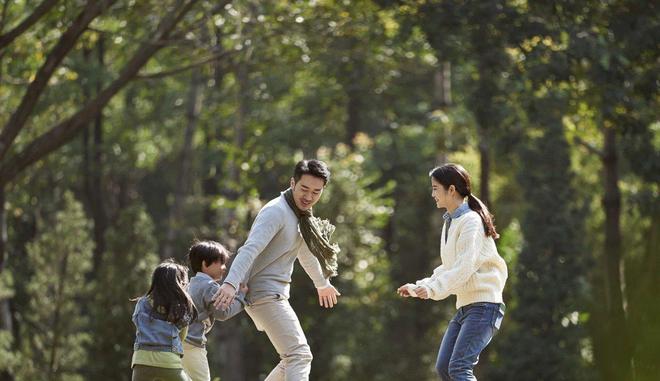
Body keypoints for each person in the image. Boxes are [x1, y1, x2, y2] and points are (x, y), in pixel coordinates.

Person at [213, 159, 341, 381]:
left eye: (316, 192)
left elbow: (306, 254)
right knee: (299, 355)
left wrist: (322, 283)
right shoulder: (276, 211)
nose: (309, 197)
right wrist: (230, 283)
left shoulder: (302, 217)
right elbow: (249, 249)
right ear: (293, 183)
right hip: (264, 294)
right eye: (304, 189)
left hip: (275, 293)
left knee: (291, 359)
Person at [397, 163, 508, 381]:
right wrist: (421, 286)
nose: (432, 194)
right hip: (467, 307)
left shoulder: (471, 222)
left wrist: (431, 290)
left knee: (458, 369)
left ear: (451, 190)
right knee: (444, 369)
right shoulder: (452, 223)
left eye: (435, 188)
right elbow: (449, 269)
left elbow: (463, 268)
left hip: (484, 306)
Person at [183, 240, 248, 381]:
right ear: (205, 264)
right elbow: (222, 313)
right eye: (221, 263)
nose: (224, 268)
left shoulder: (191, 284)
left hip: (179, 343)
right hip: (193, 345)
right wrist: (242, 298)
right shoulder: (209, 286)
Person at [131, 259, 197, 381]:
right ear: (179, 284)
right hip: (168, 361)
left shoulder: (142, 303)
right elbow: (182, 336)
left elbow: (138, 325)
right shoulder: (180, 307)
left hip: (141, 362)